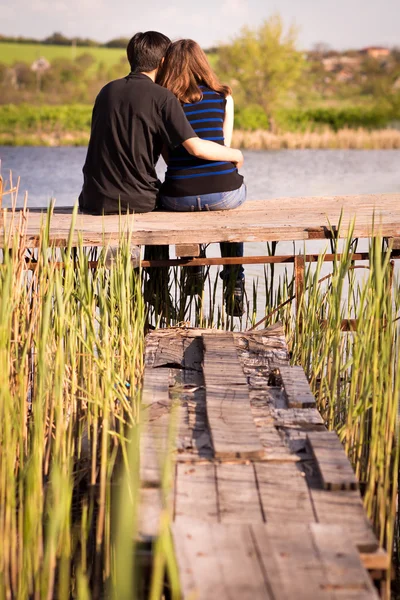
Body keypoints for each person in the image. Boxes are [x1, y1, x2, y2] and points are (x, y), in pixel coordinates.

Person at [79, 31, 244, 216]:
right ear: (164, 62)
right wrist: (236, 154)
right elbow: (200, 147)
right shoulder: (162, 97)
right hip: (140, 200)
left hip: (93, 200)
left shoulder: (106, 91)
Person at [157, 39, 247, 316]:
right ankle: (234, 277)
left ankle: (193, 266)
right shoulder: (223, 96)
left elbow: (167, 154)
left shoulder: (163, 100)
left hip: (177, 196)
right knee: (231, 197)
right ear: (202, 63)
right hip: (223, 195)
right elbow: (224, 150)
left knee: (187, 203)